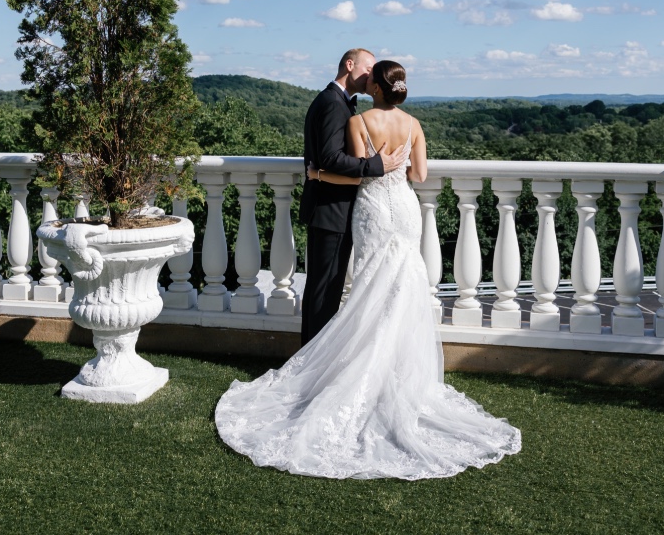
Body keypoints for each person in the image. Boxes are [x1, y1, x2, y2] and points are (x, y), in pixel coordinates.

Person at [215, 61, 521, 480]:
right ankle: (397, 372)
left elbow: (359, 176)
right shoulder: (414, 124)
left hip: (375, 210)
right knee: (401, 287)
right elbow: (420, 174)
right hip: (406, 209)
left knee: (370, 286)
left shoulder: (360, 121)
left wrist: (320, 173)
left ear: (375, 88)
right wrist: (397, 165)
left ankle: (359, 368)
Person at [298, 48, 407, 346]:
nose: (371, 75)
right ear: (350, 64)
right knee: (324, 291)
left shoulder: (336, 101)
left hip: (330, 207)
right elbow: (330, 159)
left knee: (324, 288)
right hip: (331, 208)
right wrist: (377, 166)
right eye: (367, 68)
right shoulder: (333, 103)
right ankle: (309, 362)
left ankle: (308, 358)